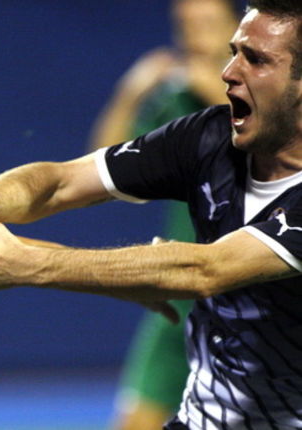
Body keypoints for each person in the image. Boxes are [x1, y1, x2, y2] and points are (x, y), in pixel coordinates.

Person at [0, 1, 302, 428]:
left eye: (257, 60)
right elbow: (60, 182)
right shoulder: (207, 135)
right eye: (235, 53)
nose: (229, 72)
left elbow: (206, 270)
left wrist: (28, 265)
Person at [88, 1, 238, 428]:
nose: (195, 37)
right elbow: (103, 163)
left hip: (248, 294)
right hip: (181, 295)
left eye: (208, 24)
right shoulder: (174, 98)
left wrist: (212, 86)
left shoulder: (272, 97)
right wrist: (130, 90)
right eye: (185, 25)